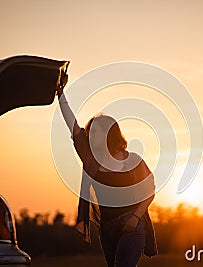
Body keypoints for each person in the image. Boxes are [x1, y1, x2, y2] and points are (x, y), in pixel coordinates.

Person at [57, 85, 157, 267]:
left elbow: (149, 191)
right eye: (89, 131)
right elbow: (73, 127)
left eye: (94, 131)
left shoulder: (133, 160)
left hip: (132, 225)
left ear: (108, 133)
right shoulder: (91, 160)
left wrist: (135, 219)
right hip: (107, 229)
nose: (89, 135)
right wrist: (61, 94)